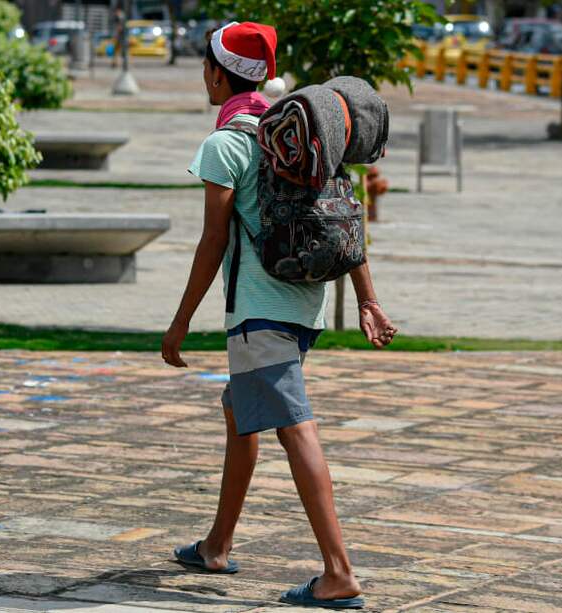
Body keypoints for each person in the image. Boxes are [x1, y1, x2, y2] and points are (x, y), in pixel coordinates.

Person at [161, 21, 398, 610]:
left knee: (294, 426)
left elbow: (213, 241)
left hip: (259, 310)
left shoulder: (226, 145)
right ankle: (217, 544)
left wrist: (180, 320)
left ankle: (339, 572)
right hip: (306, 304)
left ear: (219, 74)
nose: (204, 79)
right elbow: (346, 215)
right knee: (239, 408)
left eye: (206, 70)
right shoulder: (298, 132)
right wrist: (366, 298)